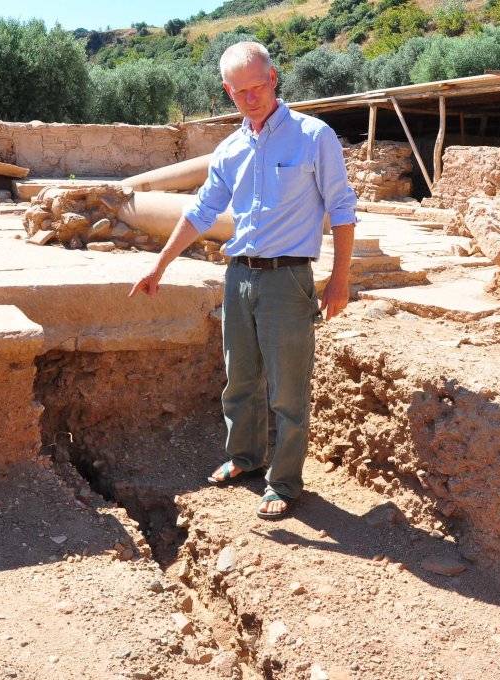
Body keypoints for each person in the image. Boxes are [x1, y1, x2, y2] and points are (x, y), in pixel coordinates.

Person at [129, 41, 357, 519]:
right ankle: (245, 458)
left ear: (274, 79)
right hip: (239, 277)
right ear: (227, 92)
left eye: (259, 86)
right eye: (240, 91)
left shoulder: (314, 136)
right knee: (240, 375)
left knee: (288, 387)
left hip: (288, 279)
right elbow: (201, 211)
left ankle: (285, 482)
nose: (252, 98)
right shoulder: (229, 149)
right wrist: (160, 264)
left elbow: (341, 208)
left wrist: (340, 279)